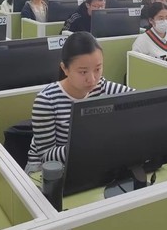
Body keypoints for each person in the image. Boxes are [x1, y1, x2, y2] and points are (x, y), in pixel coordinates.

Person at [25, 32, 134, 172]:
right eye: (83, 72)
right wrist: (89, 144)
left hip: (87, 161)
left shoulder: (102, 87)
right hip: (44, 169)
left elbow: (141, 100)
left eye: (97, 69)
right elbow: (46, 156)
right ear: (65, 69)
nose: (92, 79)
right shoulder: (47, 100)